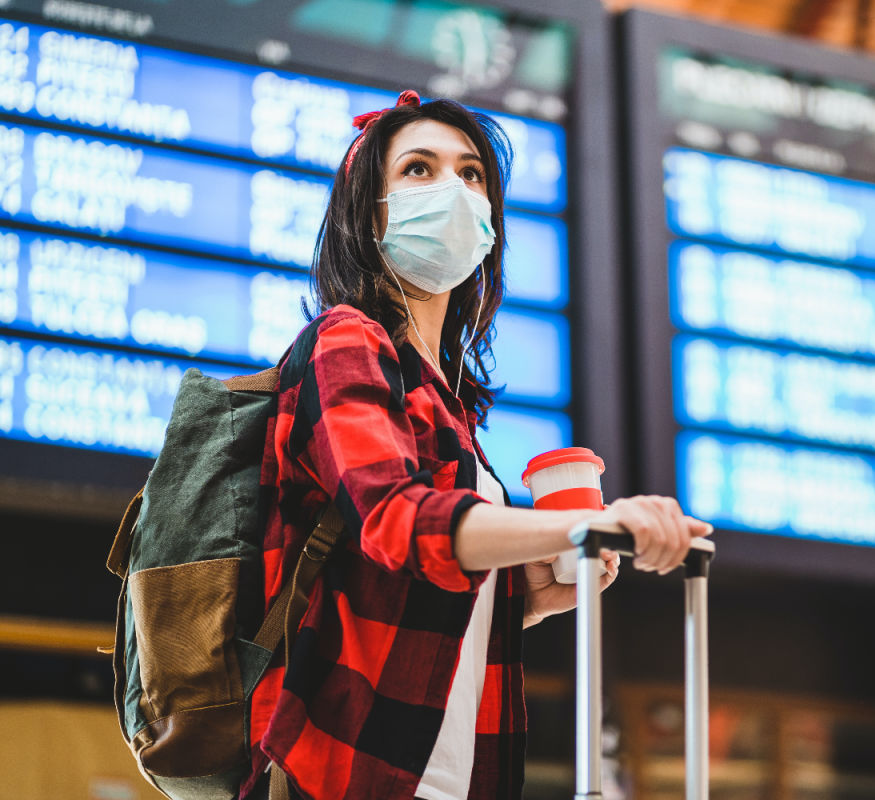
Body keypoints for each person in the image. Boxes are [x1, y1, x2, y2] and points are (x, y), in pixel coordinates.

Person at [240, 91, 710, 800]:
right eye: (419, 170)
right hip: (343, 772)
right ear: (370, 212)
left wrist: (529, 595)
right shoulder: (346, 340)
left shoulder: (446, 401)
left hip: (441, 777)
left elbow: (403, 595)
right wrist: (581, 525)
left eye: (471, 175)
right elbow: (395, 521)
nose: (453, 192)